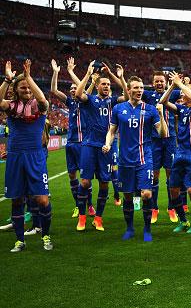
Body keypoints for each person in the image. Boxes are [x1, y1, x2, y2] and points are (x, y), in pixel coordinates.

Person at [103, 76, 167, 241]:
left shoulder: (151, 110)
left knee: (146, 194)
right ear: (129, 90)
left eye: (141, 88)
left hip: (144, 158)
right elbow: (111, 130)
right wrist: (108, 144)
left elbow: (163, 134)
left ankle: (147, 229)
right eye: (136, 88)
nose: (139, 90)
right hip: (125, 160)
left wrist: (161, 114)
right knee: (128, 196)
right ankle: (130, 228)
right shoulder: (118, 109)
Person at [0, 60, 53, 252]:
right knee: (17, 200)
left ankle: (46, 235)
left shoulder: (38, 107)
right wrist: (7, 80)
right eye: (23, 87)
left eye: (29, 88)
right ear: (16, 89)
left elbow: (43, 101)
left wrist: (29, 78)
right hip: (15, 157)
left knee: (42, 200)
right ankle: (20, 240)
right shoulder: (11, 106)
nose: (27, 90)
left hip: (35, 157)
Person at [75, 61, 128, 232]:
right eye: (103, 84)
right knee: (84, 182)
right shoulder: (90, 100)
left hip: (108, 146)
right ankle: (82, 218)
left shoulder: (113, 101)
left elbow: (127, 97)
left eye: (108, 84)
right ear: (97, 86)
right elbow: (78, 94)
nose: (106, 86)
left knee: (105, 183)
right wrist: (88, 75)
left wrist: (120, 78)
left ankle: (98, 218)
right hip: (90, 145)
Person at [159, 71, 191, 234]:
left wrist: (180, 84)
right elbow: (163, 101)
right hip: (180, 155)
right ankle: (183, 221)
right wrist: (173, 85)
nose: (181, 94)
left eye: (183, 92)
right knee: (173, 189)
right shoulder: (181, 110)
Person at [50, 58, 97, 218]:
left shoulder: (86, 102)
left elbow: (84, 91)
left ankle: (89, 205)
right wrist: (56, 73)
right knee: (72, 175)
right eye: (70, 88)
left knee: (85, 178)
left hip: (84, 144)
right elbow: (54, 91)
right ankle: (78, 205)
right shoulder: (70, 102)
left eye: (74, 87)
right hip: (71, 143)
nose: (72, 90)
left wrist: (72, 72)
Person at [141, 71, 180, 223]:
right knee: (155, 175)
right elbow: (131, 90)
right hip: (154, 140)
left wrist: (182, 82)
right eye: (156, 81)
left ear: (165, 82)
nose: (159, 84)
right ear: (152, 83)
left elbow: (190, 89)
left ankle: (171, 208)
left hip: (170, 140)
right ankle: (154, 208)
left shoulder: (174, 93)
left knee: (171, 175)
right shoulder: (148, 95)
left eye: (161, 81)